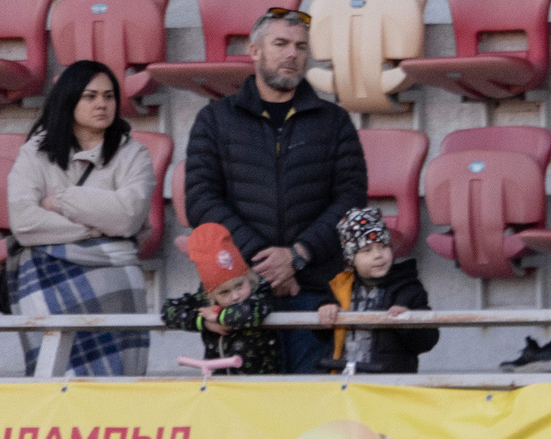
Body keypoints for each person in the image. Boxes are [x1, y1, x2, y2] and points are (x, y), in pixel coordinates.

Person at [182, 5, 368, 376]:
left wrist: (298, 255)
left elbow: (351, 200)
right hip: (239, 293)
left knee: (310, 400)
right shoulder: (215, 119)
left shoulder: (334, 121)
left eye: (300, 47)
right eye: (281, 44)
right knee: (245, 405)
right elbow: (201, 200)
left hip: (314, 292)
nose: (292, 54)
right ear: (254, 51)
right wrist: (265, 262)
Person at [5, 61, 156, 376]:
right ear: (69, 100)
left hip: (115, 273)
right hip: (48, 274)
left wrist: (60, 201)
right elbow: (24, 222)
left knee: (115, 387)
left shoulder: (133, 154)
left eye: (109, 96)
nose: (102, 104)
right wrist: (95, 228)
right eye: (90, 96)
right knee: (58, 382)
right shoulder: (35, 152)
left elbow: (128, 217)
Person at [315, 206, 437, 374]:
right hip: (344, 381)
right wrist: (325, 312)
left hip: (388, 384)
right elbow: (322, 337)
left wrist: (408, 323)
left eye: (384, 246)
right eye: (367, 250)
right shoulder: (339, 287)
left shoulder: (409, 288)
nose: (378, 255)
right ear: (351, 259)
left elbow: (428, 340)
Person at [159, 224, 280, 373]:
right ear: (211, 294)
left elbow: (249, 314)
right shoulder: (205, 301)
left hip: (262, 382)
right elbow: (168, 310)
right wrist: (204, 322)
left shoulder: (260, 293)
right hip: (218, 382)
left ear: (248, 277)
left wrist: (219, 316)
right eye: (224, 293)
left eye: (239, 285)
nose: (235, 296)